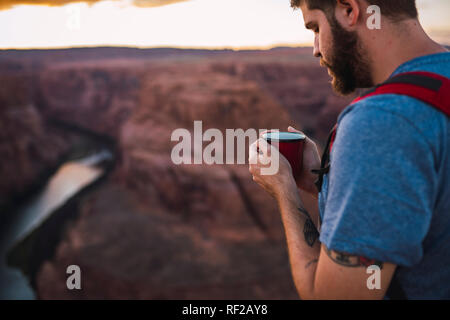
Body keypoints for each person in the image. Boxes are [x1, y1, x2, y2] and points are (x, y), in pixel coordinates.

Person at [249, 0, 449, 299]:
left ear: (348, 10)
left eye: (315, 27)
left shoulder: (381, 122)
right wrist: (324, 181)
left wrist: (285, 191)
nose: (315, 48)